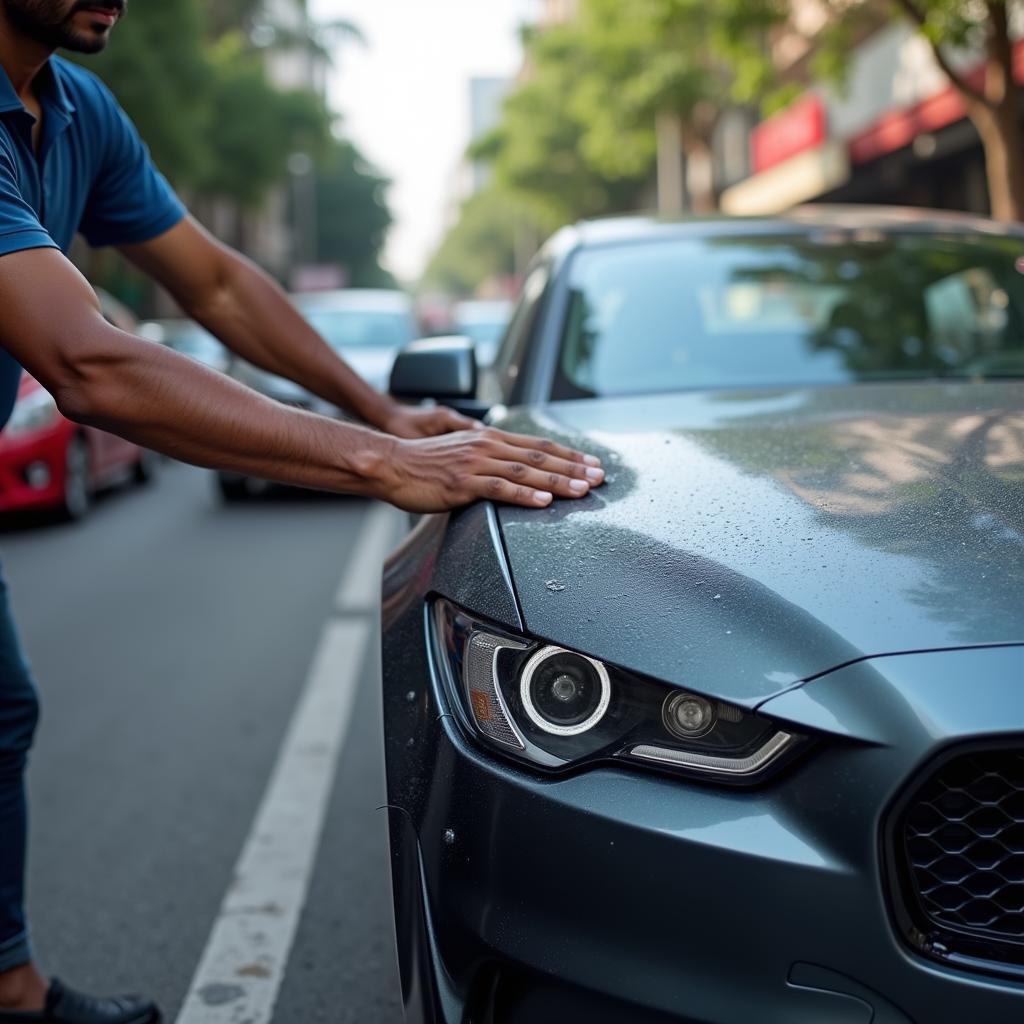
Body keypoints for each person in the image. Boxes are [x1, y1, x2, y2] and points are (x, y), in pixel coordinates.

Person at [0, 2, 604, 1020]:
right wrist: (377, 462)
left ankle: (10, 987)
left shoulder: (75, 110)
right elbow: (88, 362)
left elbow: (221, 285)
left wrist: (380, 411)